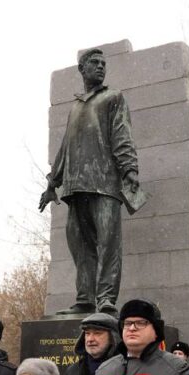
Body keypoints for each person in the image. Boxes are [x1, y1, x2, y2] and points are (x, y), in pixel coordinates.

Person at [39, 48, 142, 317]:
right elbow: (65, 148)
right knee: (80, 245)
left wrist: (129, 168)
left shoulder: (113, 98)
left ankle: (106, 298)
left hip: (105, 185)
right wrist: (53, 184)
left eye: (103, 64)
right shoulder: (76, 106)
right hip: (75, 188)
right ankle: (85, 298)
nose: (100, 67)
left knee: (109, 244)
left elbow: (122, 134)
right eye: (94, 63)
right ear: (82, 69)